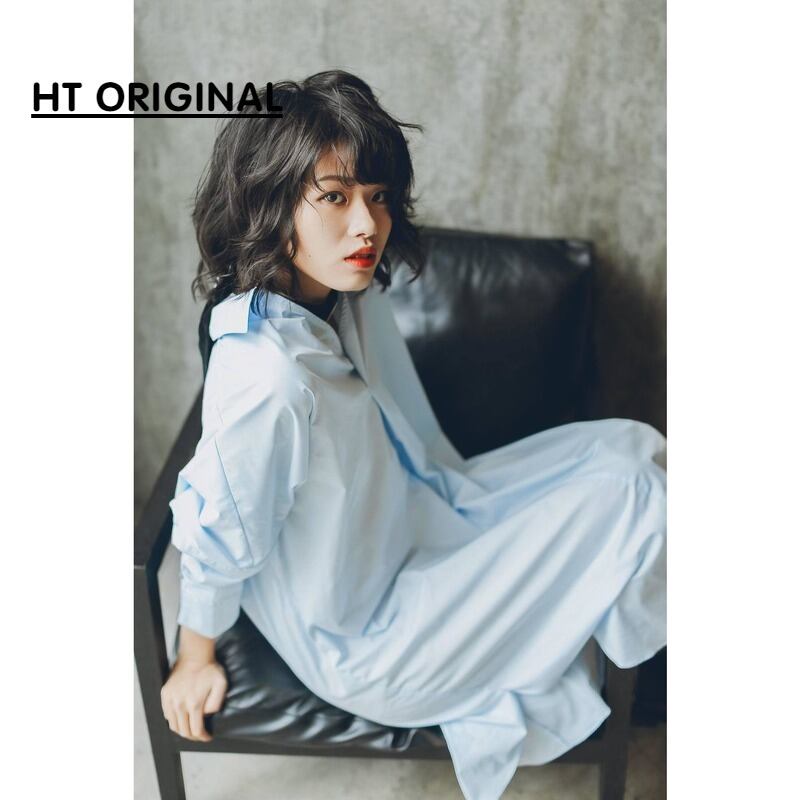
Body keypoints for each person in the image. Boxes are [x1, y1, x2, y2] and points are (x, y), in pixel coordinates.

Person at [160, 70, 667, 800]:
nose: (367, 225)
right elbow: (221, 530)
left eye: (377, 196)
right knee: (640, 497)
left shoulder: (335, 291)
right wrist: (195, 654)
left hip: (415, 518)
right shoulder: (268, 379)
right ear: (271, 202)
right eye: (335, 197)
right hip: (369, 635)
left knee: (630, 452)